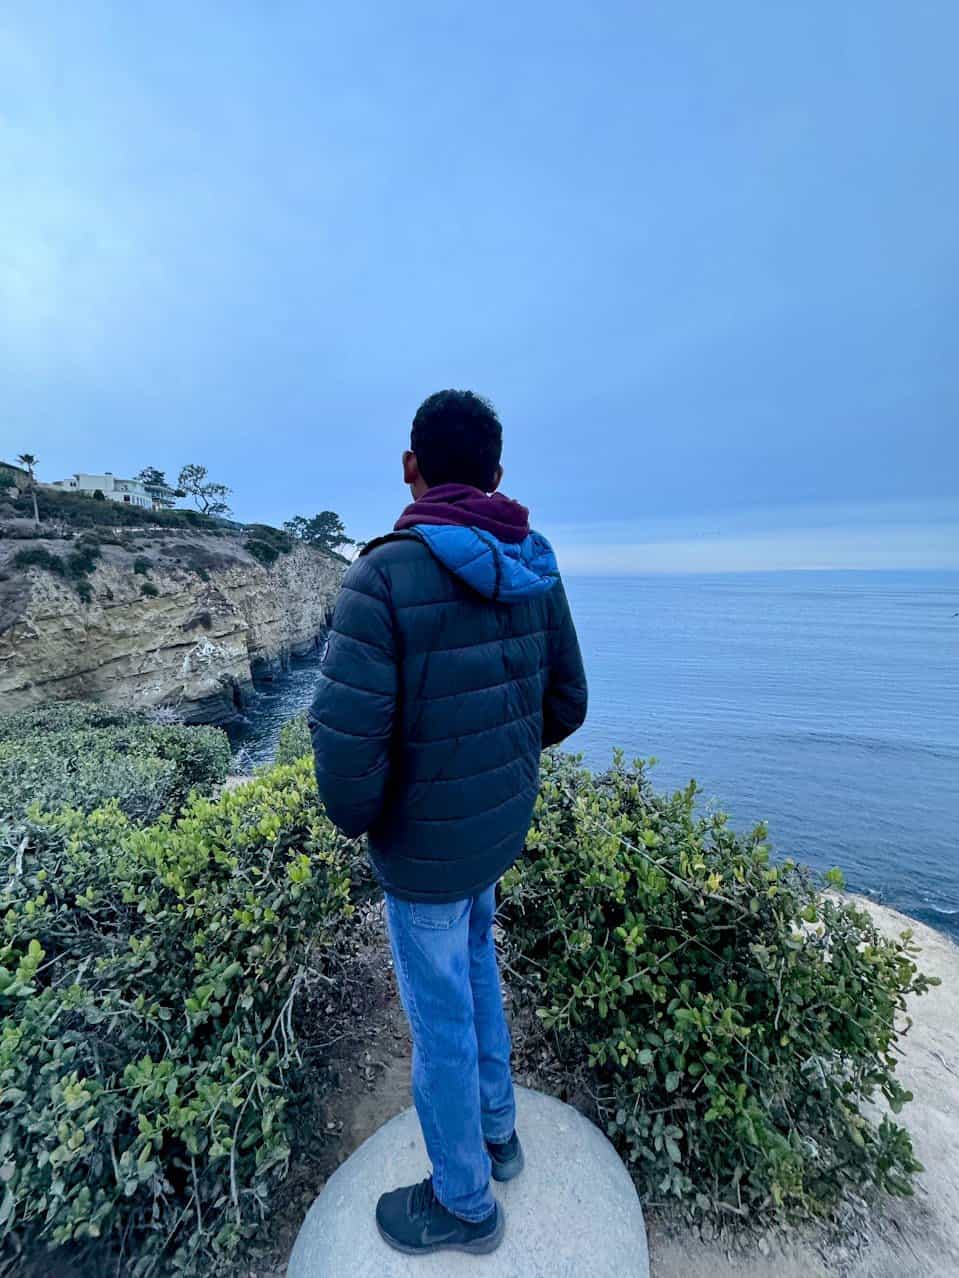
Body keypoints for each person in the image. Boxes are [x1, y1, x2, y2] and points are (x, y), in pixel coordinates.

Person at [308, 389, 587, 1256]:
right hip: (492, 832)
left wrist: (372, 820)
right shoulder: (535, 563)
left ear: (410, 466)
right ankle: (498, 1133)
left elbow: (346, 750)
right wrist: (491, 768)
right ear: (496, 474)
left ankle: (464, 1203)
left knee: (439, 1023)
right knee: (475, 970)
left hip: (425, 852)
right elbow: (566, 704)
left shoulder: (383, 575)